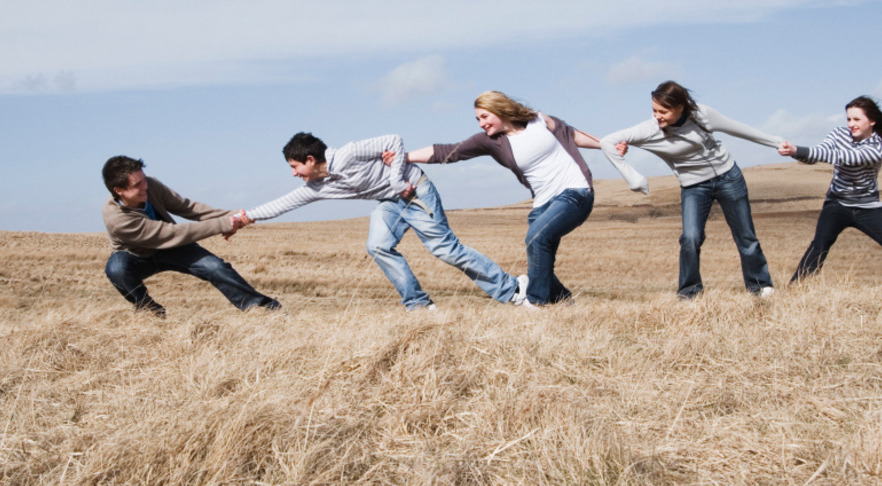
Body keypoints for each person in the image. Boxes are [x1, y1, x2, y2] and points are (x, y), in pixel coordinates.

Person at [236, 132, 526, 311]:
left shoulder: (348, 154)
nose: (294, 173)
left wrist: (396, 178)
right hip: (391, 203)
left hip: (415, 192)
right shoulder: (318, 187)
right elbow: (283, 203)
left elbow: (393, 140)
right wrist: (247, 217)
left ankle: (513, 290)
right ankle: (419, 306)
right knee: (377, 245)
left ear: (310, 159)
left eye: (295, 166)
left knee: (445, 250)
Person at [395, 91, 600, 307]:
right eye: (478, 119)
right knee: (539, 259)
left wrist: (605, 144)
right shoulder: (491, 141)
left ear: (500, 109)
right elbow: (448, 152)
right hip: (543, 202)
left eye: (484, 117)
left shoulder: (537, 119)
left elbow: (570, 134)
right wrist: (404, 157)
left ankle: (535, 302)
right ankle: (564, 301)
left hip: (576, 191)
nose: (481, 124)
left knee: (537, 238)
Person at [600, 80, 781, 299]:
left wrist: (778, 143)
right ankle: (689, 292)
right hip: (694, 187)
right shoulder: (649, 130)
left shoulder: (702, 115)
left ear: (680, 107)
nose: (657, 116)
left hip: (728, 177)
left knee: (745, 236)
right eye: (654, 110)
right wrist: (633, 176)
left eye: (663, 111)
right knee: (690, 238)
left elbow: (741, 130)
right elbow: (607, 142)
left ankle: (760, 286)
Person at [101, 156, 281, 317]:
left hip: (172, 247)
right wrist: (223, 224)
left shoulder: (151, 185)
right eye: (137, 185)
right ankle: (150, 312)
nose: (145, 186)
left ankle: (263, 309)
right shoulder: (116, 217)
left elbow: (186, 207)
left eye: (144, 179)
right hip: (137, 256)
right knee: (116, 268)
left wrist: (232, 216)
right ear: (119, 190)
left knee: (215, 267)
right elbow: (169, 234)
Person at [779, 96, 882, 283]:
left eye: (857, 119)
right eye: (849, 119)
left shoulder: (876, 148)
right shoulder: (839, 134)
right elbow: (817, 154)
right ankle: (795, 291)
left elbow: (842, 157)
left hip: (868, 208)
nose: (851, 124)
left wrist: (797, 150)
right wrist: (792, 152)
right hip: (836, 204)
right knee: (819, 247)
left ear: (872, 121)